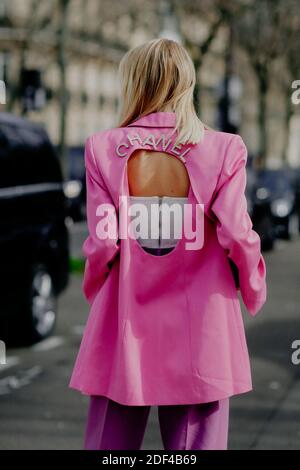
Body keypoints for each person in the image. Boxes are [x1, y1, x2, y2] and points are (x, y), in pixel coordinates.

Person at [69, 38, 267, 451]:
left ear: (135, 83)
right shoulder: (224, 149)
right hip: (203, 329)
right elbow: (238, 234)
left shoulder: (103, 149)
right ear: (186, 84)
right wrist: (252, 288)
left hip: (124, 324)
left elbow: (102, 241)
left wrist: (94, 286)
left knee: (110, 446)